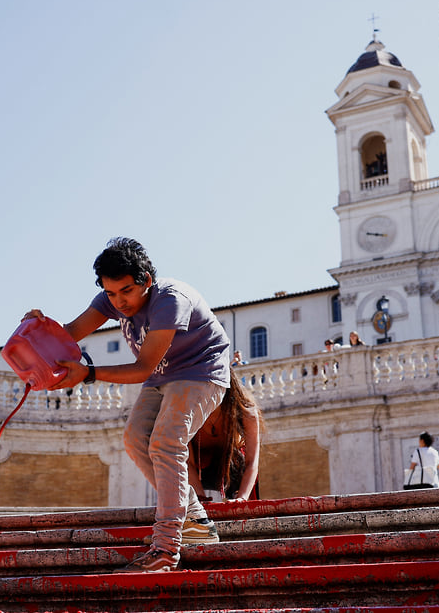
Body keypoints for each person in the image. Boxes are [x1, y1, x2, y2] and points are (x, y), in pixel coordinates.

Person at [25, 238, 230, 573]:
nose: (119, 302)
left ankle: (166, 547)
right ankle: (196, 522)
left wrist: (88, 374)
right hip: (163, 376)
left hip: (200, 371)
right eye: (110, 294)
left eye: (126, 291)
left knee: (166, 442)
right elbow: (70, 334)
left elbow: (142, 368)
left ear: (146, 280)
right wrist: (38, 330)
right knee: (135, 440)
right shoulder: (111, 300)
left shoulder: (170, 300)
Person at [188, 374, 262, 502]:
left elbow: (252, 463)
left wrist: (242, 498)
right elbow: (186, 463)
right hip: (197, 471)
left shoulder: (246, 413)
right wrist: (200, 499)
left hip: (235, 472)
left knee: (239, 459)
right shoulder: (189, 413)